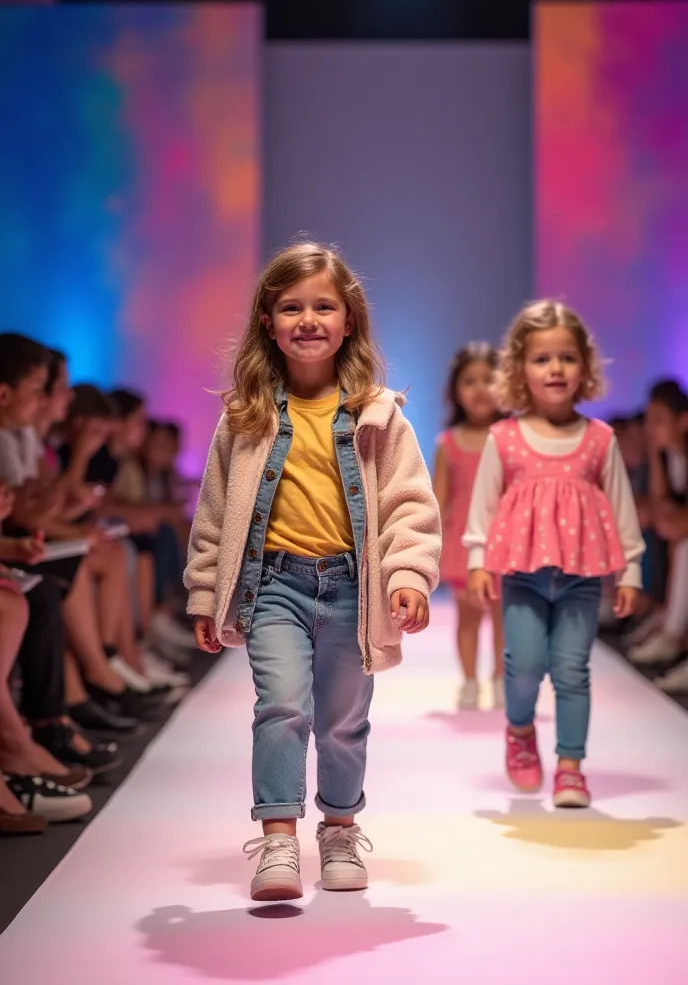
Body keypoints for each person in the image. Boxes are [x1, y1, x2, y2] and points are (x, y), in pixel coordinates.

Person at [185, 241, 441, 901]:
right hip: (275, 585)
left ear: (349, 319)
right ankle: (276, 839)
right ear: (266, 321)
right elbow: (215, 511)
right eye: (290, 306)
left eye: (324, 306)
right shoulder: (246, 414)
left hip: (354, 589)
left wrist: (409, 575)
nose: (308, 319)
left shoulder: (378, 413)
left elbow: (410, 503)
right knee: (280, 707)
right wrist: (204, 591)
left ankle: (338, 827)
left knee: (341, 721)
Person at [464, 300, 644, 809]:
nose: (556, 369)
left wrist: (630, 568)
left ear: (584, 366)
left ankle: (570, 766)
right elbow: (484, 505)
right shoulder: (506, 438)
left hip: (581, 578)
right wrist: (478, 562)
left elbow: (622, 507)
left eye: (567, 357)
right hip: (521, 576)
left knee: (572, 669)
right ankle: (520, 730)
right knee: (524, 665)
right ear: (521, 368)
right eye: (542, 359)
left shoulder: (599, 439)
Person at [433, 343, 504, 709]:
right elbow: (437, 498)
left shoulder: (512, 437)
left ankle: (501, 680)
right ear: (456, 391)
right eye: (470, 381)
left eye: (488, 380)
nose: (479, 389)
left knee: (504, 614)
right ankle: (471, 681)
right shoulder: (449, 443)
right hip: (464, 540)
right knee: (468, 616)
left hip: (505, 541)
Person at [628, 380, 688, 690]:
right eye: (649, 420)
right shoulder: (670, 456)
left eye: (659, 421)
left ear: (683, 420)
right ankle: (663, 619)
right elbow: (659, 503)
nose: (651, 428)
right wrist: (655, 454)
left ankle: (672, 630)